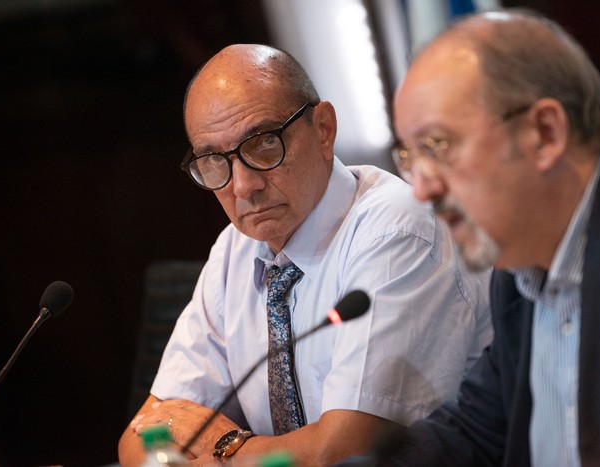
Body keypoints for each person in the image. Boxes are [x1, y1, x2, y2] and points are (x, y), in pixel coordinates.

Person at [117, 44, 493, 466]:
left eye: (262, 144)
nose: (243, 187)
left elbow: (345, 453)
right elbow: (141, 436)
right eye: (213, 161)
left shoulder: (398, 230)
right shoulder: (234, 250)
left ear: (323, 129)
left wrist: (227, 447)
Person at [365, 6, 600, 467]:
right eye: (409, 157)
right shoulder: (518, 265)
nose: (421, 188)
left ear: (544, 132)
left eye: (437, 146)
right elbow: (476, 431)